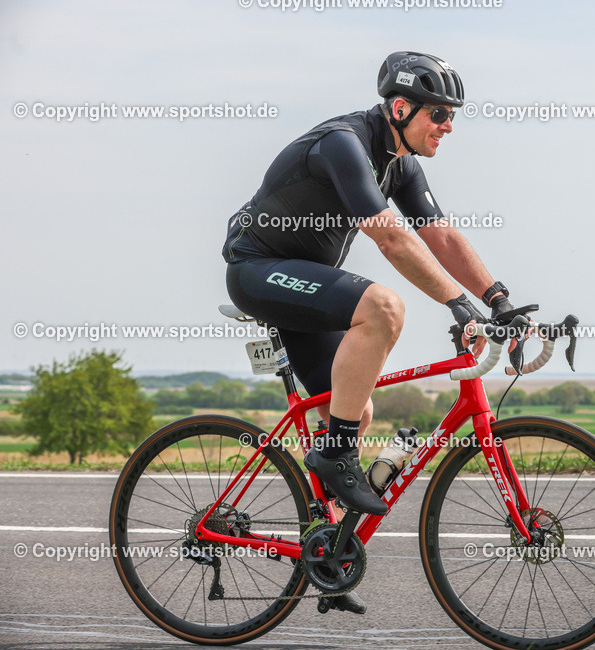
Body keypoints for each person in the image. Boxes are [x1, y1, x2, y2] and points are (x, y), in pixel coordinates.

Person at [220, 52, 515, 613]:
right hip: (257, 270)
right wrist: (458, 304)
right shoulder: (344, 144)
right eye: (440, 114)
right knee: (383, 306)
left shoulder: (400, 162)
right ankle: (332, 458)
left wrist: (498, 300)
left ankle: (327, 552)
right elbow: (393, 239)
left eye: (452, 115)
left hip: (306, 284)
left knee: (354, 409)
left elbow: (440, 235)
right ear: (400, 107)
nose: (448, 126)